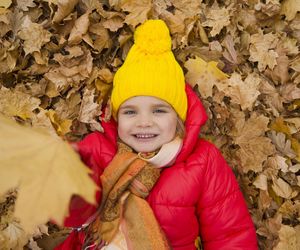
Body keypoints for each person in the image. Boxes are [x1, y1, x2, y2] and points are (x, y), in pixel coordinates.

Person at [55, 19, 258, 250]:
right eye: (130, 111)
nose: (144, 122)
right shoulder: (98, 150)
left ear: (178, 118)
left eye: (159, 111)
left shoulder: (202, 161)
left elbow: (230, 234)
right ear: (116, 117)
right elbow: (73, 215)